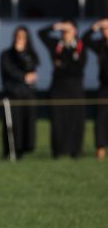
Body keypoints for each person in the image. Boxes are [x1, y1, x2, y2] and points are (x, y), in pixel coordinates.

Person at [38, 20, 88, 158]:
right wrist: (57, 26)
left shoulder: (80, 46)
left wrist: (62, 65)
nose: (65, 33)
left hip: (76, 89)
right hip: (58, 88)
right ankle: (58, 150)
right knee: (58, 120)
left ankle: (76, 151)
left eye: (68, 30)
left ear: (75, 31)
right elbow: (41, 33)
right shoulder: (56, 45)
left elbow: (79, 68)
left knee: (76, 120)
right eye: (63, 31)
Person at [0, 26, 39, 159]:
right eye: (18, 36)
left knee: (27, 124)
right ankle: (10, 151)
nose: (20, 39)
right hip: (13, 95)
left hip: (27, 95)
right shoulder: (6, 54)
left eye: (23, 37)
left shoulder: (30, 55)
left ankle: (24, 150)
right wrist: (24, 77)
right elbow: (10, 71)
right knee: (13, 125)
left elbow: (32, 68)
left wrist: (22, 55)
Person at [82, 18, 108, 161]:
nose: (105, 31)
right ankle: (100, 148)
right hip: (104, 86)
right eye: (104, 29)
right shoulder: (100, 45)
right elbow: (85, 39)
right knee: (101, 119)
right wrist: (96, 26)